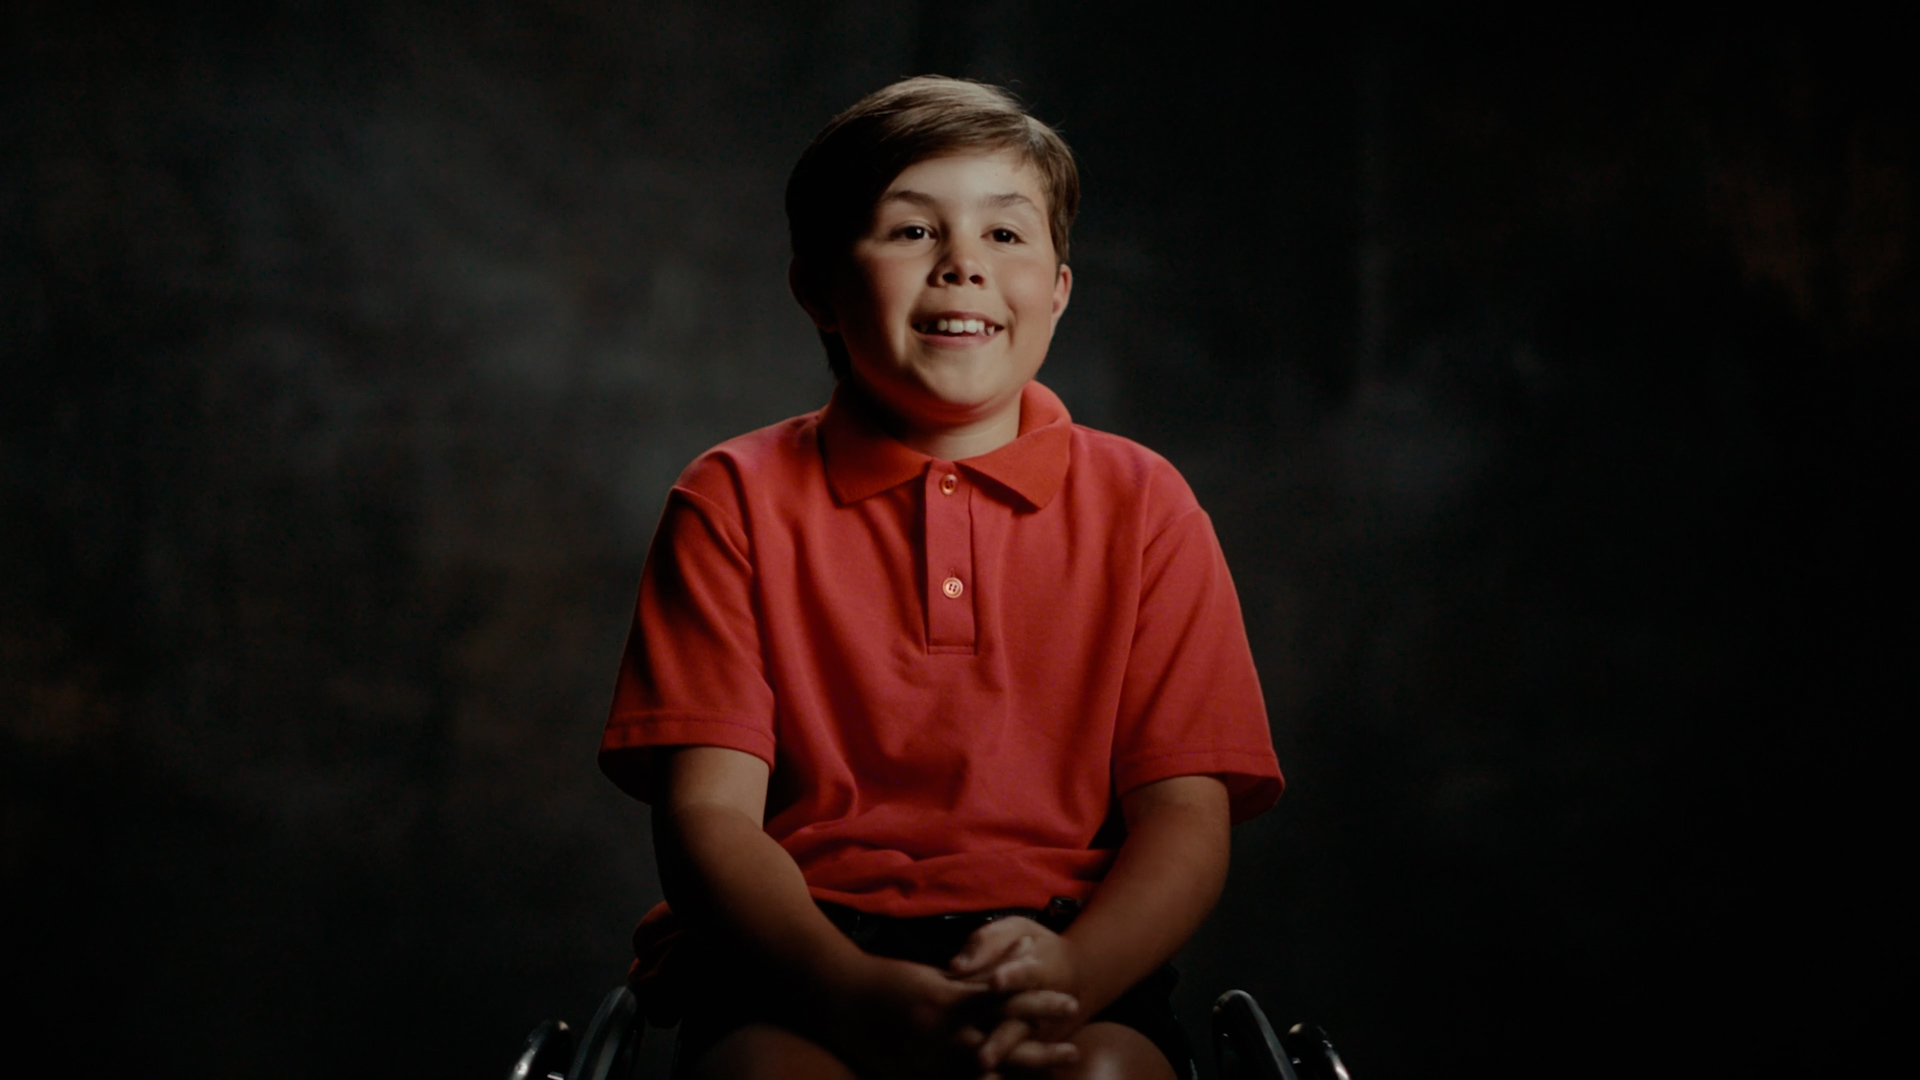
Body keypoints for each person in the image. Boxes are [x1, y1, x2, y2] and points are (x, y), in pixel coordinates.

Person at [599, 75, 1283, 1080]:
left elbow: (1186, 816)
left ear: (1057, 286)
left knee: (1103, 1075)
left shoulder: (1147, 504)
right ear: (817, 285)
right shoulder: (731, 499)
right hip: (798, 957)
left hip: (1058, 952)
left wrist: (1074, 972)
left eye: (1006, 235)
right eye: (912, 232)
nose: (963, 266)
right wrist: (847, 990)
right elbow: (706, 816)